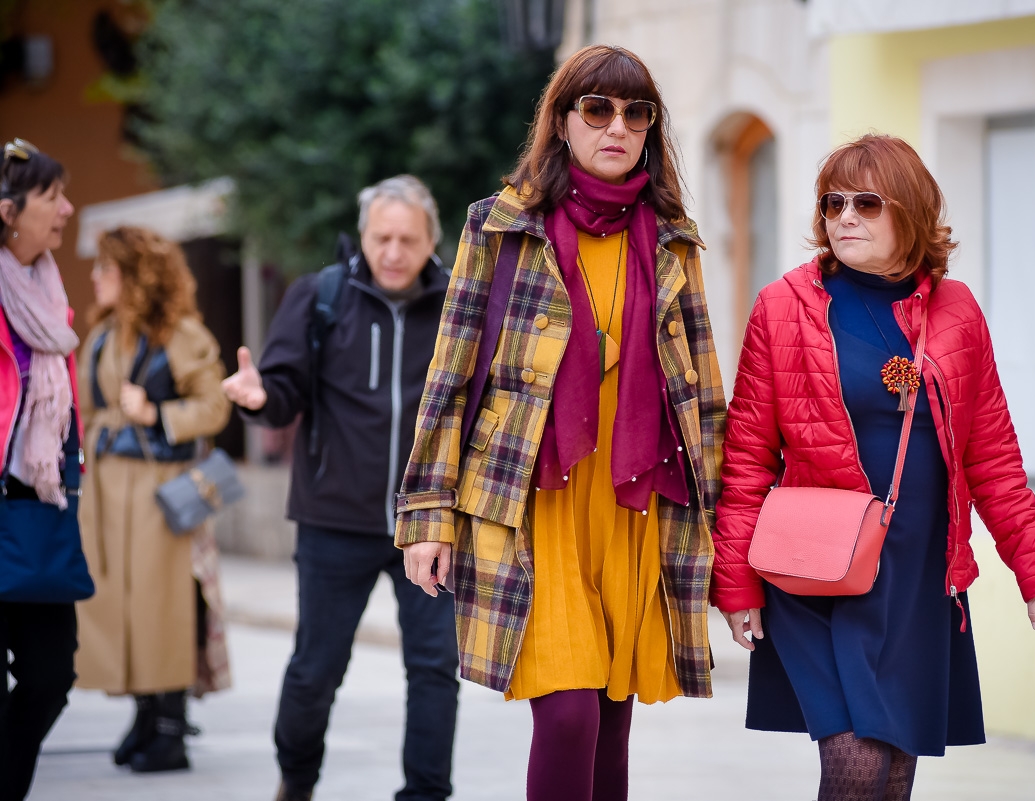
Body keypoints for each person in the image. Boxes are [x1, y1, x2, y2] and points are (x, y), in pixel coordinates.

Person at [396, 45, 726, 801]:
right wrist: (426, 515)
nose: (618, 127)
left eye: (636, 113)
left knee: (611, 717)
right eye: (597, 109)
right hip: (533, 501)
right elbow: (450, 375)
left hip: (635, 502)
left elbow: (704, 395)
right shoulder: (501, 226)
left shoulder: (673, 240)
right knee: (570, 713)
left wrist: (725, 535)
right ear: (562, 120)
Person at [712, 133, 1035, 801]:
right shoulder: (782, 307)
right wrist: (736, 585)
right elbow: (746, 460)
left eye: (867, 203)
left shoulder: (957, 311)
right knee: (857, 761)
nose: (845, 216)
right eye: (833, 202)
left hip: (916, 576)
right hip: (818, 572)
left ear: (908, 211)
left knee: (893, 774)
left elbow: (992, 456)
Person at [221, 175, 458, 801]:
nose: (393, 252)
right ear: (363, 236)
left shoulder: (460, 305)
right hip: (333, 519)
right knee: (317, 667)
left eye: (408, 240)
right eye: (382, 238)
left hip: (429, 523)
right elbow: (282, 391)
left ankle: (426, 794)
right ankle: (297, 781)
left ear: (430, 241)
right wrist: (259, 397)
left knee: (434, 668)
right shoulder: (320, 295)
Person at [74, 226, 233, 773]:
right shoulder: (101, 335)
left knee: (162, 607)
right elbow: (86, 410)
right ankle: (145, 716)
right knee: (121, 606)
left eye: (107, 268)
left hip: (160, 494)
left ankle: (169, 726)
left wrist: (155, 413)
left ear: (135, 275)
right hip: (105, 493)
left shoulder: (181, 334)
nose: (96, 277)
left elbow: (214, 406)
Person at [0, 139, 84, 801]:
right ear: (9, 212)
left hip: (38, 513)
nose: (67, 209)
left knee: (52, 675)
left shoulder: (50, 298)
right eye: (52, 196)